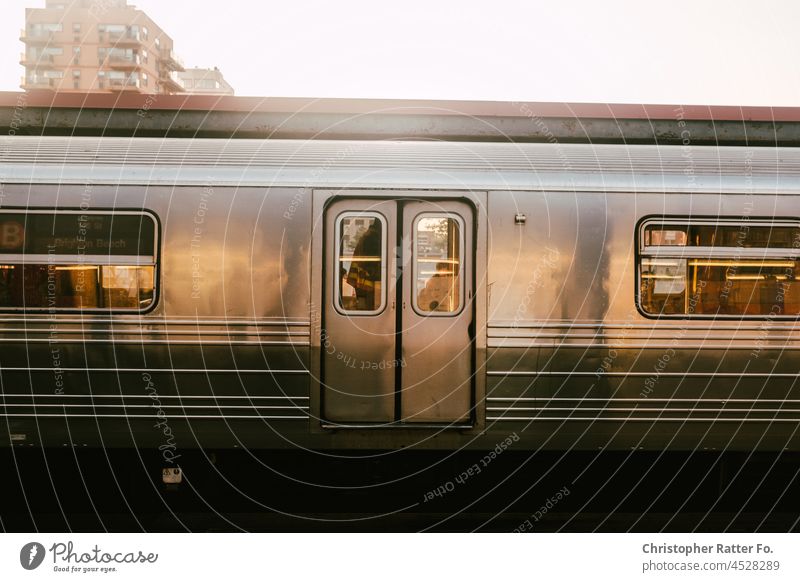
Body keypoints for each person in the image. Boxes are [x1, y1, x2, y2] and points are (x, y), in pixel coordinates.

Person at [346, 221, 381, 310]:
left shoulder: (367, 236)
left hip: (361, 280)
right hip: (367, 281)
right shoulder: (372, 237)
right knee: (371, 308)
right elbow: (371, 262)